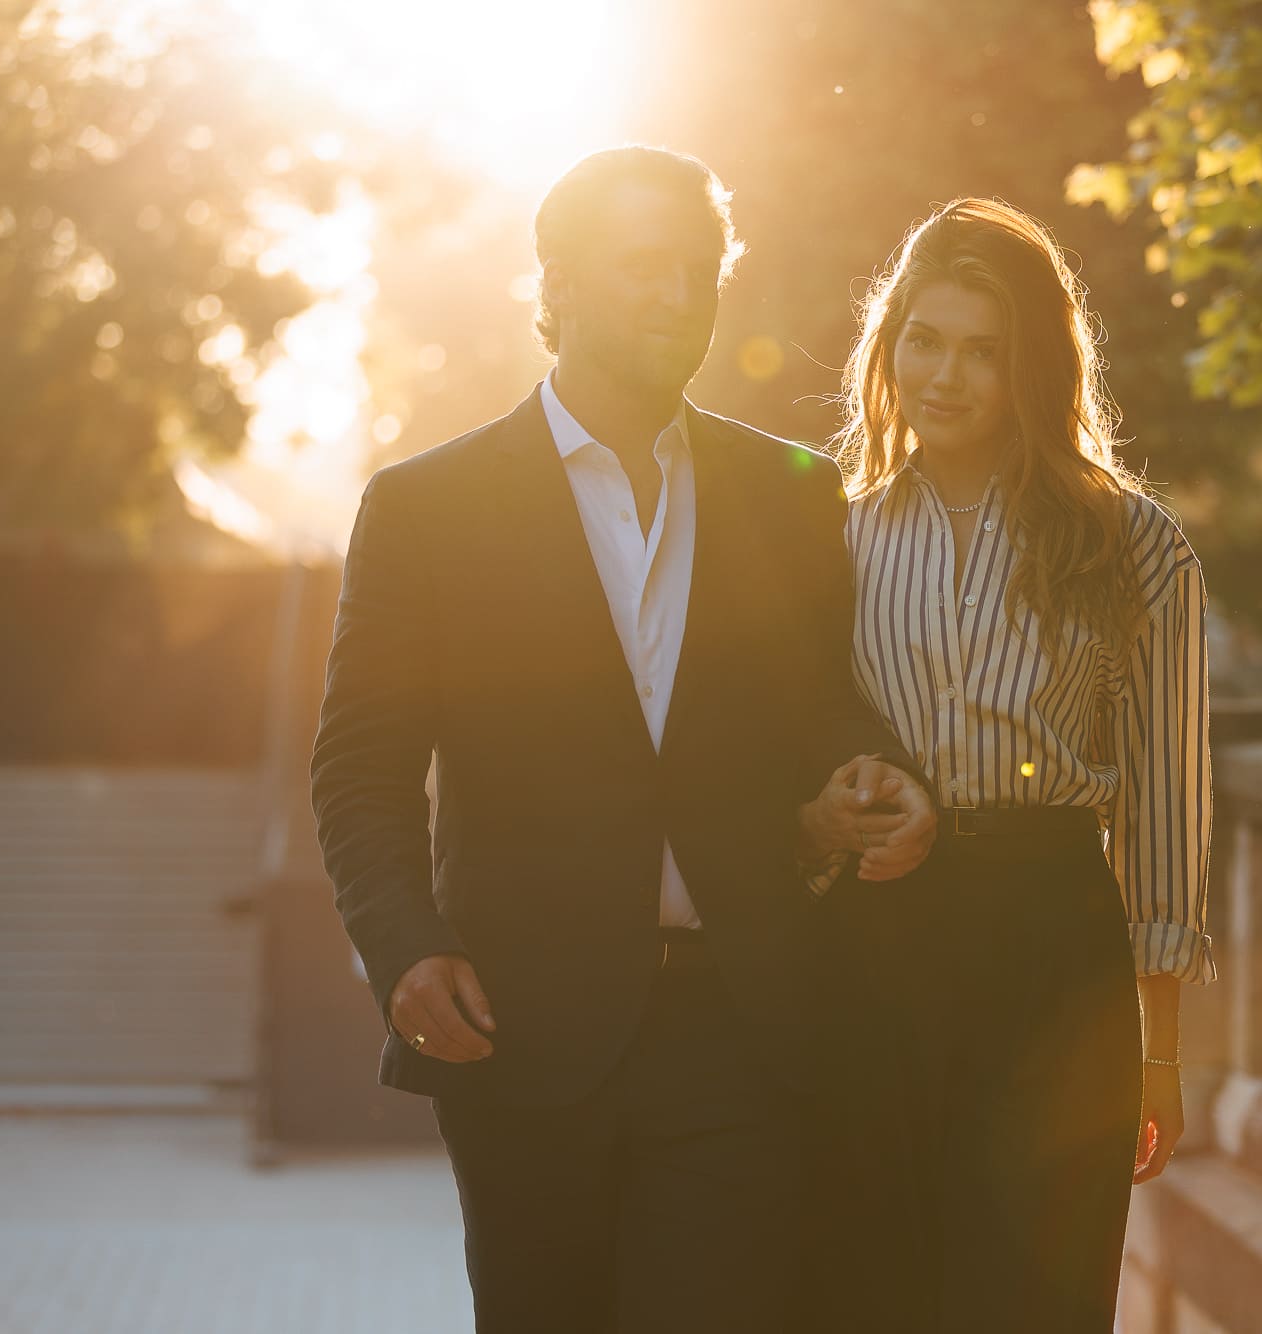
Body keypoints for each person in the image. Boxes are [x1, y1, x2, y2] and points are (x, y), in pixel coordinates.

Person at [309, 145, 933, 1334]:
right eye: (642, 266)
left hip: (741, 1026)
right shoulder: (425, 508)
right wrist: (404, 947)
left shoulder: (786, 489)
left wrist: (870, 772)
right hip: (522, 1032)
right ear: (561, 284)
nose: (675, 294)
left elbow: (825, 707)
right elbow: (360, 769)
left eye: (697, 270)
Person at [826, 197, 1215, 1333]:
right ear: (888, 345)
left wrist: (1159, 1053)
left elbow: (1163, 805)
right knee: (883, 1290)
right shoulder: (832, 540)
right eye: (923, 339)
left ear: (1030, 367)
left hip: (1054, 944)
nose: (943, 375)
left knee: (1040, 1299)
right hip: (877, 941)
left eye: (982, 351)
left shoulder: (1130, 540)